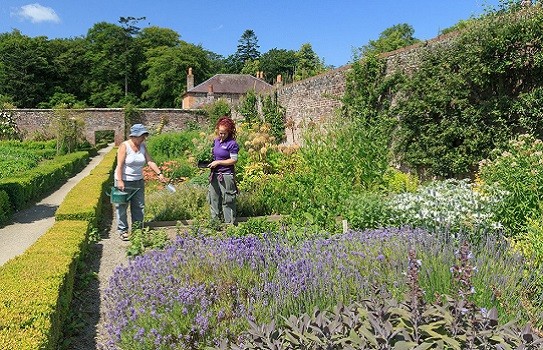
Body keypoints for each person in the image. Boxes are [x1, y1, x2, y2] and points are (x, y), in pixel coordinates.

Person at [115, 123, 165, 240]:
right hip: (125, 181)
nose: (143, 138)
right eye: (142, 136)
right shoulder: (124, 146)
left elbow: (150, 161)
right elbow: (119, 165)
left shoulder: (142, 146)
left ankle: (137, 230)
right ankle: (123, 230)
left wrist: (159, 174)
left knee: (139, 206)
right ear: (134, 136)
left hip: (138, 181)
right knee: (122, 206)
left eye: (144, 136)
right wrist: (120, 181)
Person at [208, 116, 239, 224]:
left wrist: (219, 162)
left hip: (226, 175)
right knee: (213, 199)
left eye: (224, 133)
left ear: (229, 132)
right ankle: (215, 223)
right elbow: (215, 156)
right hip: (214, 175)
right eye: (220, 132)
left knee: (228, 200)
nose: (221, 135)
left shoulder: (232, 144)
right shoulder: (216, 141)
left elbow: (234, 160)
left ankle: (229, 225)